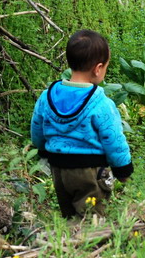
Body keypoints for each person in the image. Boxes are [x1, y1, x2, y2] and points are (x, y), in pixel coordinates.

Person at [30, 30, 133, 218]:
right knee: (91, 221)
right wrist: (123, 169)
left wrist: (42, 148)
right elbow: (114, 139)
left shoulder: (47, 96)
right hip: (90, 172)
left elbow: (37, 127)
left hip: (59, 170)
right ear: (98, 68)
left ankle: (66, 244)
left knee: (69, 215)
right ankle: (88, 246)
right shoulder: (101, 104)